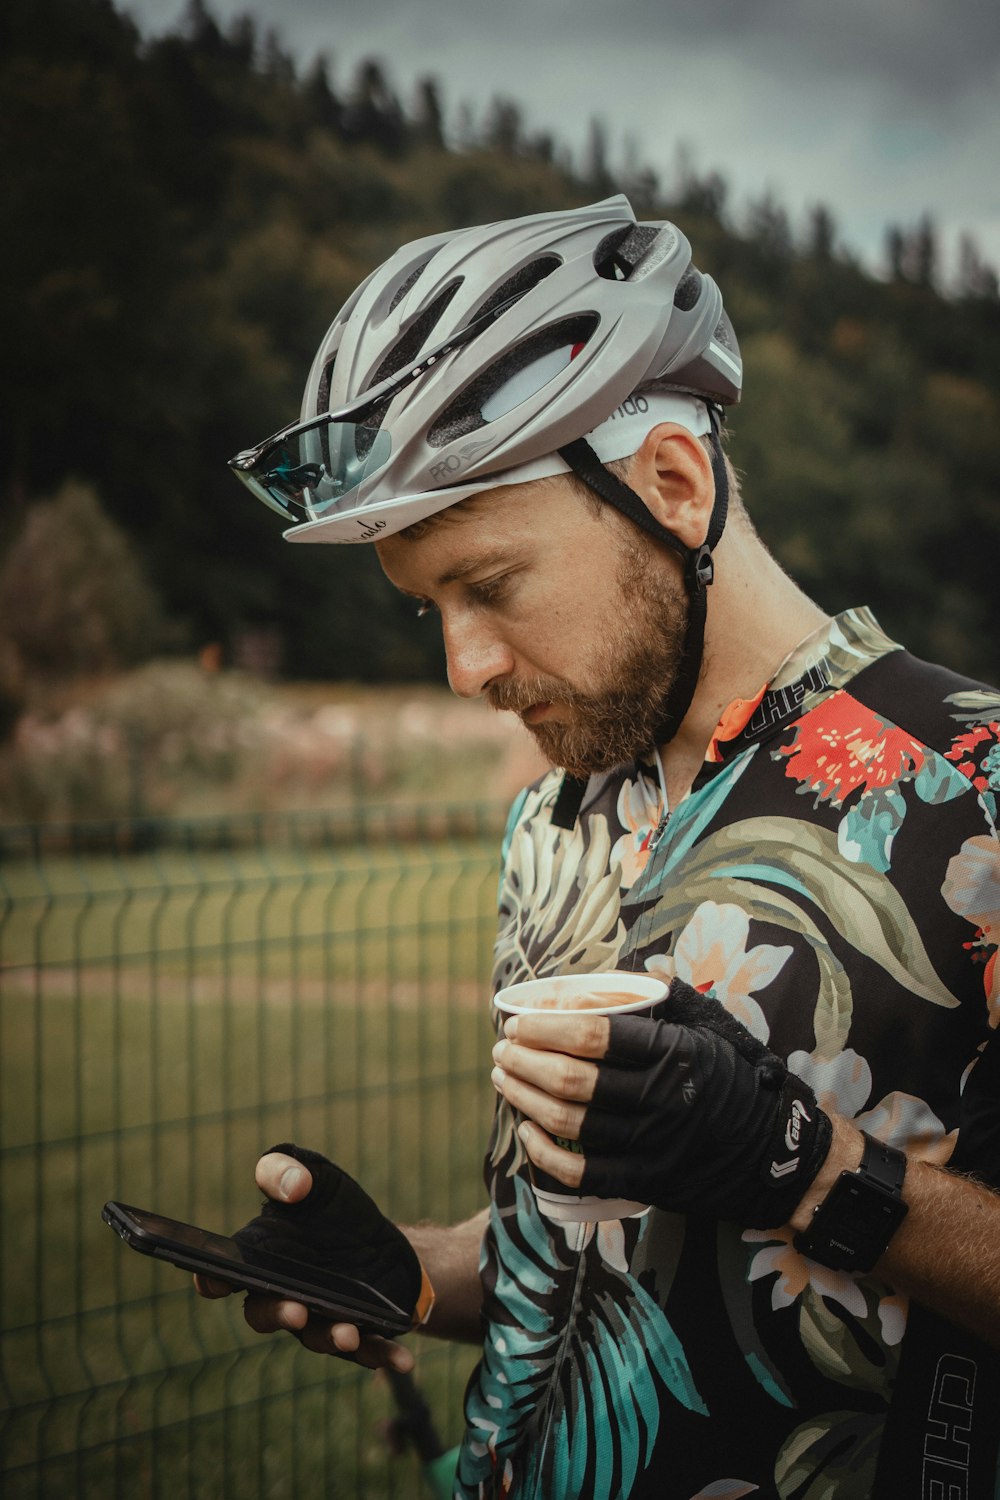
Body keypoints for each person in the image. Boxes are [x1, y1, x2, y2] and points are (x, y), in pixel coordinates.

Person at [204, 197, 1000, 1498]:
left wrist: (805, 1166)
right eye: (426, 612)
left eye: (493, 586)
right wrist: (409, 1269)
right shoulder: (556, 819)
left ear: (673, 484)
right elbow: (570, 1256)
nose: (465, 669)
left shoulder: (977, 789)